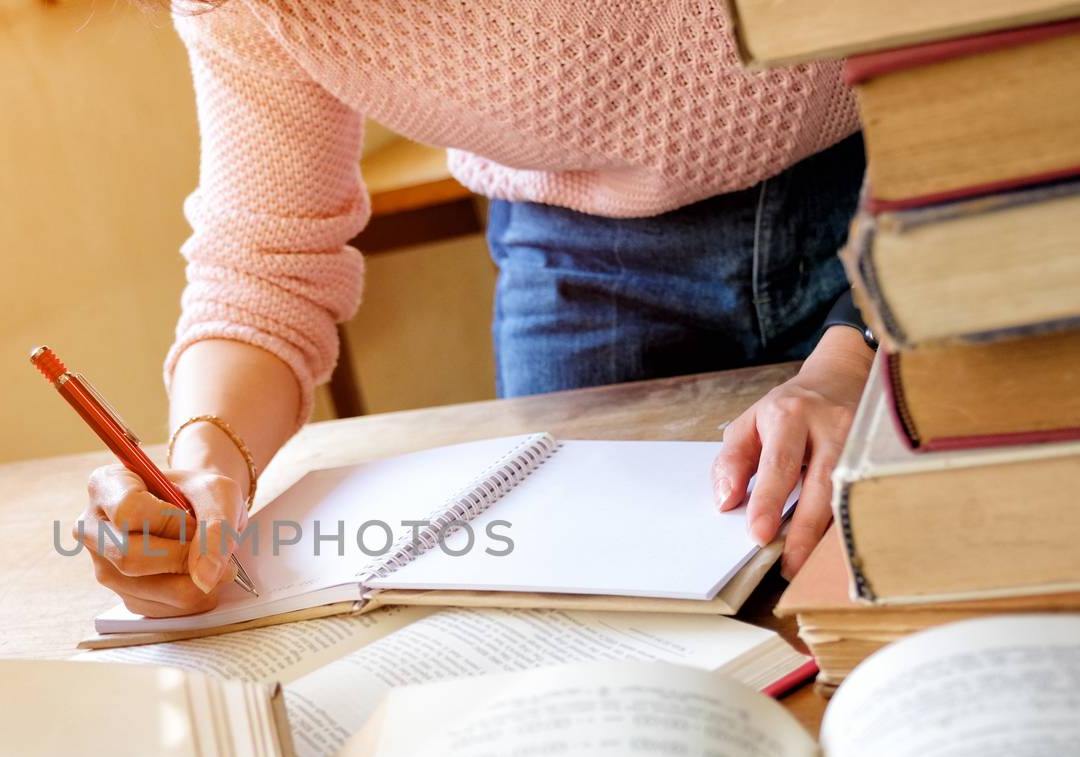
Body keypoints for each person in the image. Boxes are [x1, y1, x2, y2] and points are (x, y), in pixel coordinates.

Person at [80, 0, 874, 619]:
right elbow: (264, 269)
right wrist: (206, 459)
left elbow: (991, 74)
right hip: (577, 250)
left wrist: (865, 340)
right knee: (592, 628)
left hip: (903, 175)